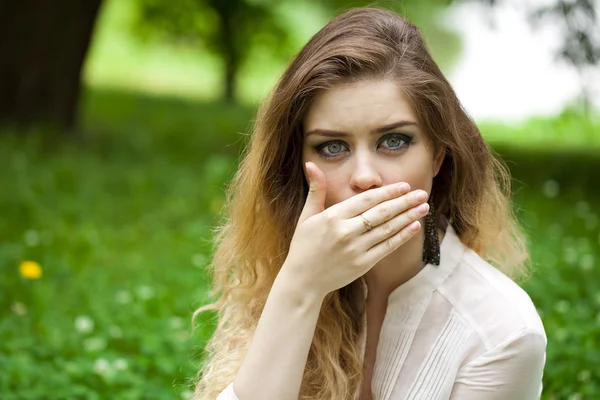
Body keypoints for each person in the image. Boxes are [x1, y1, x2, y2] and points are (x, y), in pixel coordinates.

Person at [192, 6, 547, 400]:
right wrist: (299, 287)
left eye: (394, 141)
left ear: (438, 154)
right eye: (332, 146)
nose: (364, 176)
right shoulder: (282, 274)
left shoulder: (502, 332)